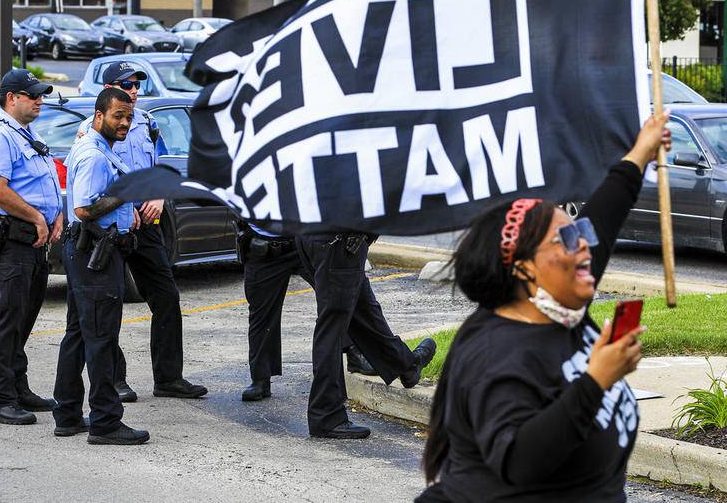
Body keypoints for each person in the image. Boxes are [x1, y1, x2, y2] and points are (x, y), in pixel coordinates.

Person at [416, 113, 672, 502]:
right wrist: (595, 381)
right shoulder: (497, 356)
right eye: (566, 240)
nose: (583, 244)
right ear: (524, 268)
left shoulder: (560, 305)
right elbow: (520, 461)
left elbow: (605, 213)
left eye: (579, 232)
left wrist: (642, 150)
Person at [77, 61, 206, 403]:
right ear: (108, 92)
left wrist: (160, 196)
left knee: (166, 297)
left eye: (136, 85)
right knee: (112, 302)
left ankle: (169, 378)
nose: (133, 92)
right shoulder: (94, 128)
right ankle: (115, 379)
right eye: (126, 85)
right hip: (114, 227)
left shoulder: (146, 122)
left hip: (146, 225)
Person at [53, 88, 149, 444]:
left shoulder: (99, 148)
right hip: (96, 252)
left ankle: (66, 413)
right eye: (117, 116)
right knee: (101, 338)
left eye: (128, 116)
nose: (124, 122)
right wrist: (124, 196)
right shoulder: (95, 155)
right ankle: (106, 421)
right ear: (99, 116)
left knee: (79, 334)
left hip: (88, 251)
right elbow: (84, 209)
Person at [0, 69, 61, 425]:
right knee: (8, 318)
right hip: (12, 239)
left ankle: (16, 385)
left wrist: (55, 215)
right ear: (12, 98)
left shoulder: (24, 133)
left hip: (32, 239)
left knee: (24, 317)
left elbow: (40, 182)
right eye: (33, 95)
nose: (40, 100)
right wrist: (37, 217)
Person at [296, 232, 437, 439]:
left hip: (317, 235)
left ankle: (406, 365)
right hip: (339, 240)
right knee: (332, 326)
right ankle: (326, 415)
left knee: (364, 310)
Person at [238, 222, 377, 402]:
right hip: (263, 246)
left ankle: (355, 354)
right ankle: (260, 378)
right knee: (260, 313)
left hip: (305, 239)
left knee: (341, 297)